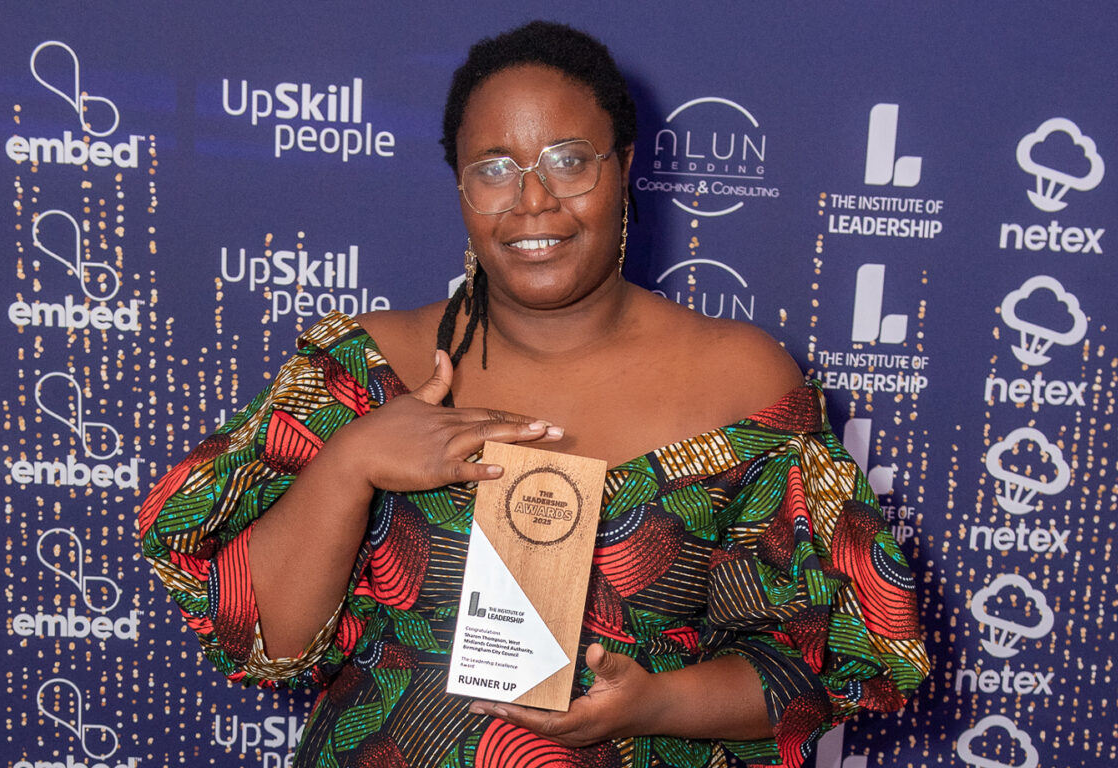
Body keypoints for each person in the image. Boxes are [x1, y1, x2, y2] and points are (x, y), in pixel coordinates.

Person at [138, 21, 928, 768]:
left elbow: (816, 671)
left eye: (567, 159)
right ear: (460, 190)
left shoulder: (741, 382)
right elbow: (262, 641)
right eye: (493, 168)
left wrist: (650, 705)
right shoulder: (367, 365)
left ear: (622, 165)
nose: (533, 201)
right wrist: (353, 460)